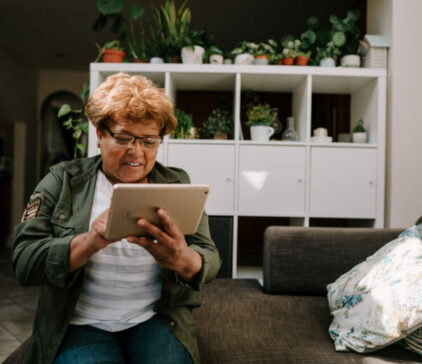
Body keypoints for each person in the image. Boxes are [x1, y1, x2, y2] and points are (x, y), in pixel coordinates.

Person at [12, 72, 221, 364]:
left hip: (154, 317)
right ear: (99, 133)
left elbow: (209, 255)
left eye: (149, 141)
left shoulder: (176, 184)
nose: (136, 152)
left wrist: (183, 259)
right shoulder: (62, 181)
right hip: (80, 322)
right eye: (124, 138)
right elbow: (23, 262)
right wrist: (90, 242)